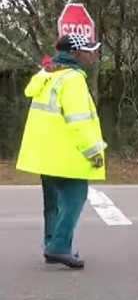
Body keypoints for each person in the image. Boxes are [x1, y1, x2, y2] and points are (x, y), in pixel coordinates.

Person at [15, 33, 105, 270]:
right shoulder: (73, 79)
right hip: (65, 155)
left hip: (45, 154)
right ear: (75, 53)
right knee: (75, 197)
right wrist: (93, 151)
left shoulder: (48, 75)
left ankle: (51, 244)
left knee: (52, 203)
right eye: (89, 51)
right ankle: (59, 247)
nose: (93, 55)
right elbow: (79, 121)